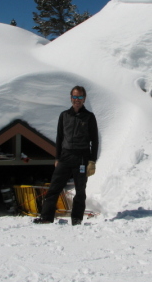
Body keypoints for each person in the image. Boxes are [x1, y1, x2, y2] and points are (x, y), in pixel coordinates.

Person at [34, 86, 99, 225]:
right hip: (65, 156)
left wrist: (92, 161)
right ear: (70, 98)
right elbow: (59, 137)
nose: (77, 100)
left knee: (80, 191)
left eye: (80, 97)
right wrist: (57, 158)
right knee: (54, 188)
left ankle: (76, 219)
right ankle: (46, 218)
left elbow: (94, 140)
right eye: (75, 97)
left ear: (84, 99)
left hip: (82, 157)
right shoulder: (64, 115)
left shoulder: (89, 117)